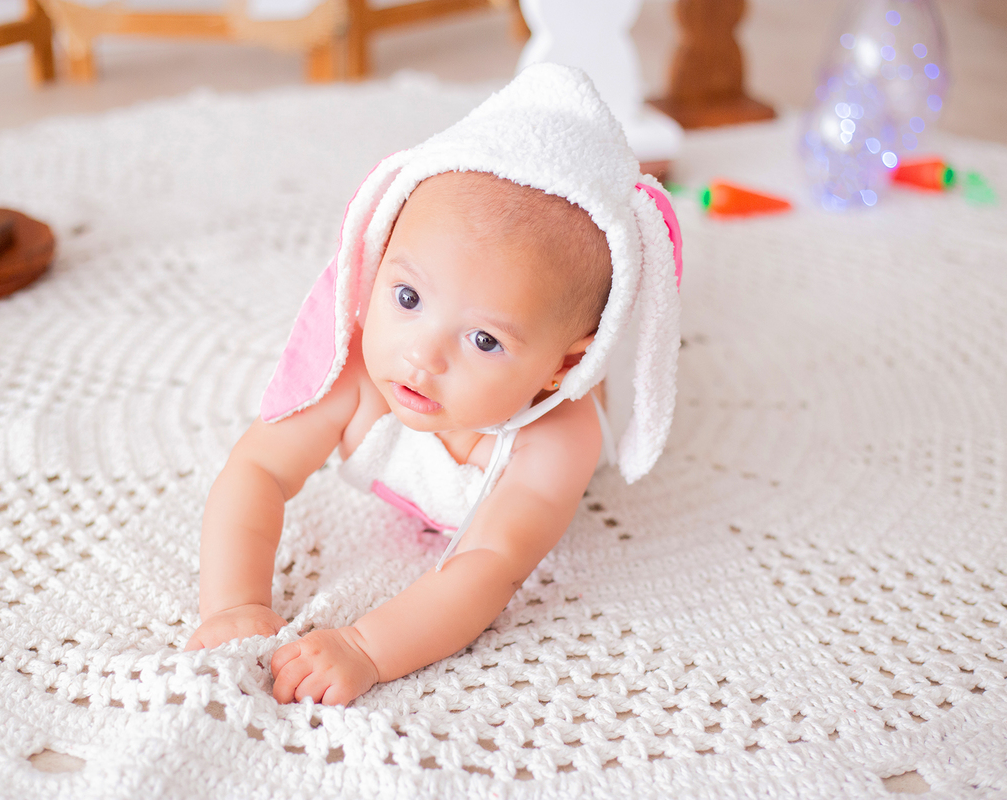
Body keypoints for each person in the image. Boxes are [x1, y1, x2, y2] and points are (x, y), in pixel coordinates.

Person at [185, 64, 684, 706]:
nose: (422, 356)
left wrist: (367, 648)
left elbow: (488, 567)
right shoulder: (359, 374)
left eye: (483, 340)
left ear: (560, 368)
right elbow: (257, 468)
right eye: (409, 295)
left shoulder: (558, 438)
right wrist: (232, 603)